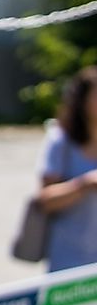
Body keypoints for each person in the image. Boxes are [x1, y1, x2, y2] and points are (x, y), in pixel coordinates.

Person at [35, 66, 97, 273]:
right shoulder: (61, 141)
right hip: (69, 263)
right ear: (82, 100)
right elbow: (45, 201)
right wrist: (84, 184)